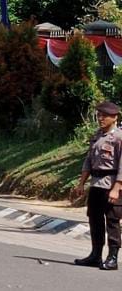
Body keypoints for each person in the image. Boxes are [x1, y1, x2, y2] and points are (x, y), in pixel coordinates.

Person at [73, 101, 122, 270]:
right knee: (94, 219)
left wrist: (117, 188)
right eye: (99, 115)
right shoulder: (97, 135)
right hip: (96, 184)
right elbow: (89, 161)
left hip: (112, 185)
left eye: (104, 115)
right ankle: (95, 254)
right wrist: (81, 183)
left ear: (114, 117)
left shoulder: (119, 138)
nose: (100, 118)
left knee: (112, 221)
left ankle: (113, 257)